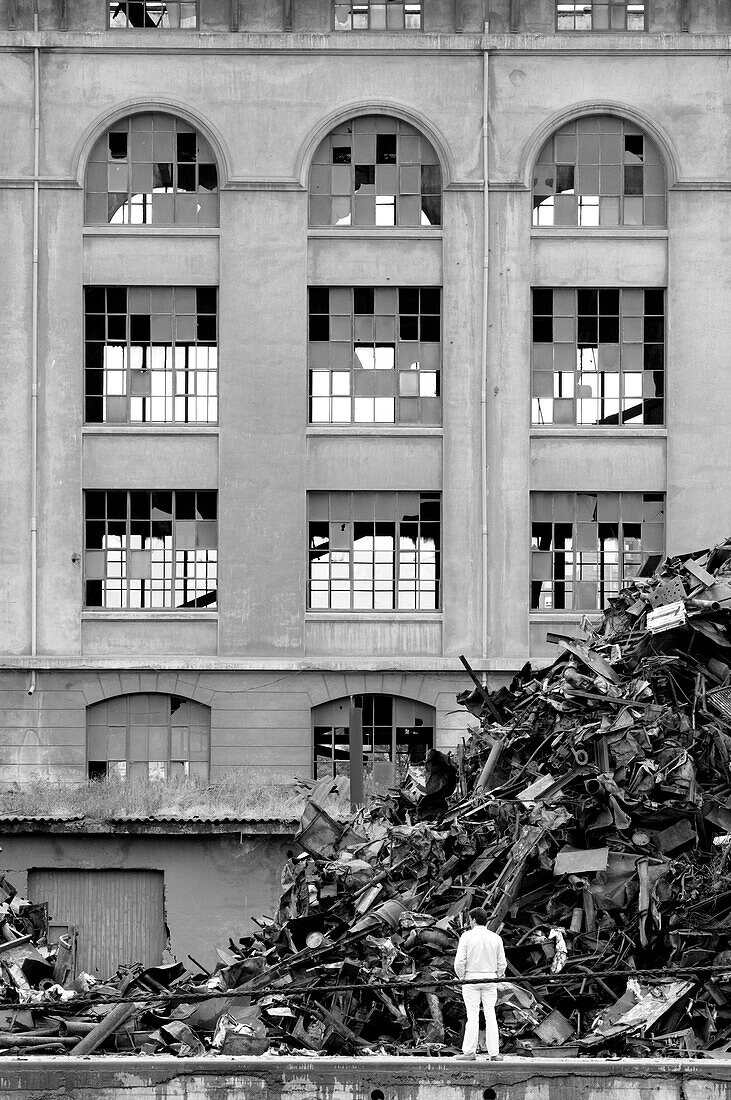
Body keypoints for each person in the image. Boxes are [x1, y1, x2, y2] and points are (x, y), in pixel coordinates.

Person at [454, 906, 506, 1060]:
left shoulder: (466, 936)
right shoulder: (496, 938)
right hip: (490, 978)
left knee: (473, 1015)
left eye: (470, 919)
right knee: (490, 1015)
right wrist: (497, 975)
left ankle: (469, 1052)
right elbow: (502, 963)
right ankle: (494, 1054)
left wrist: (462, 976)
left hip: (471, 978)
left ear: (474, 920)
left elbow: (459, 962)